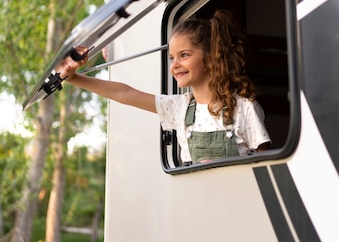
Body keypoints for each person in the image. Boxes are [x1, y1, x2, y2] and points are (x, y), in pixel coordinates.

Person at [58, 10, 271, 164]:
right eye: (172, 58)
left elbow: (265, 167)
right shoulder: (179, 108)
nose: (175, 64)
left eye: (184, 55)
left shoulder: (243, 107)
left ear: (210, 58)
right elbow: (125, 93)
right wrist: (73, 78)